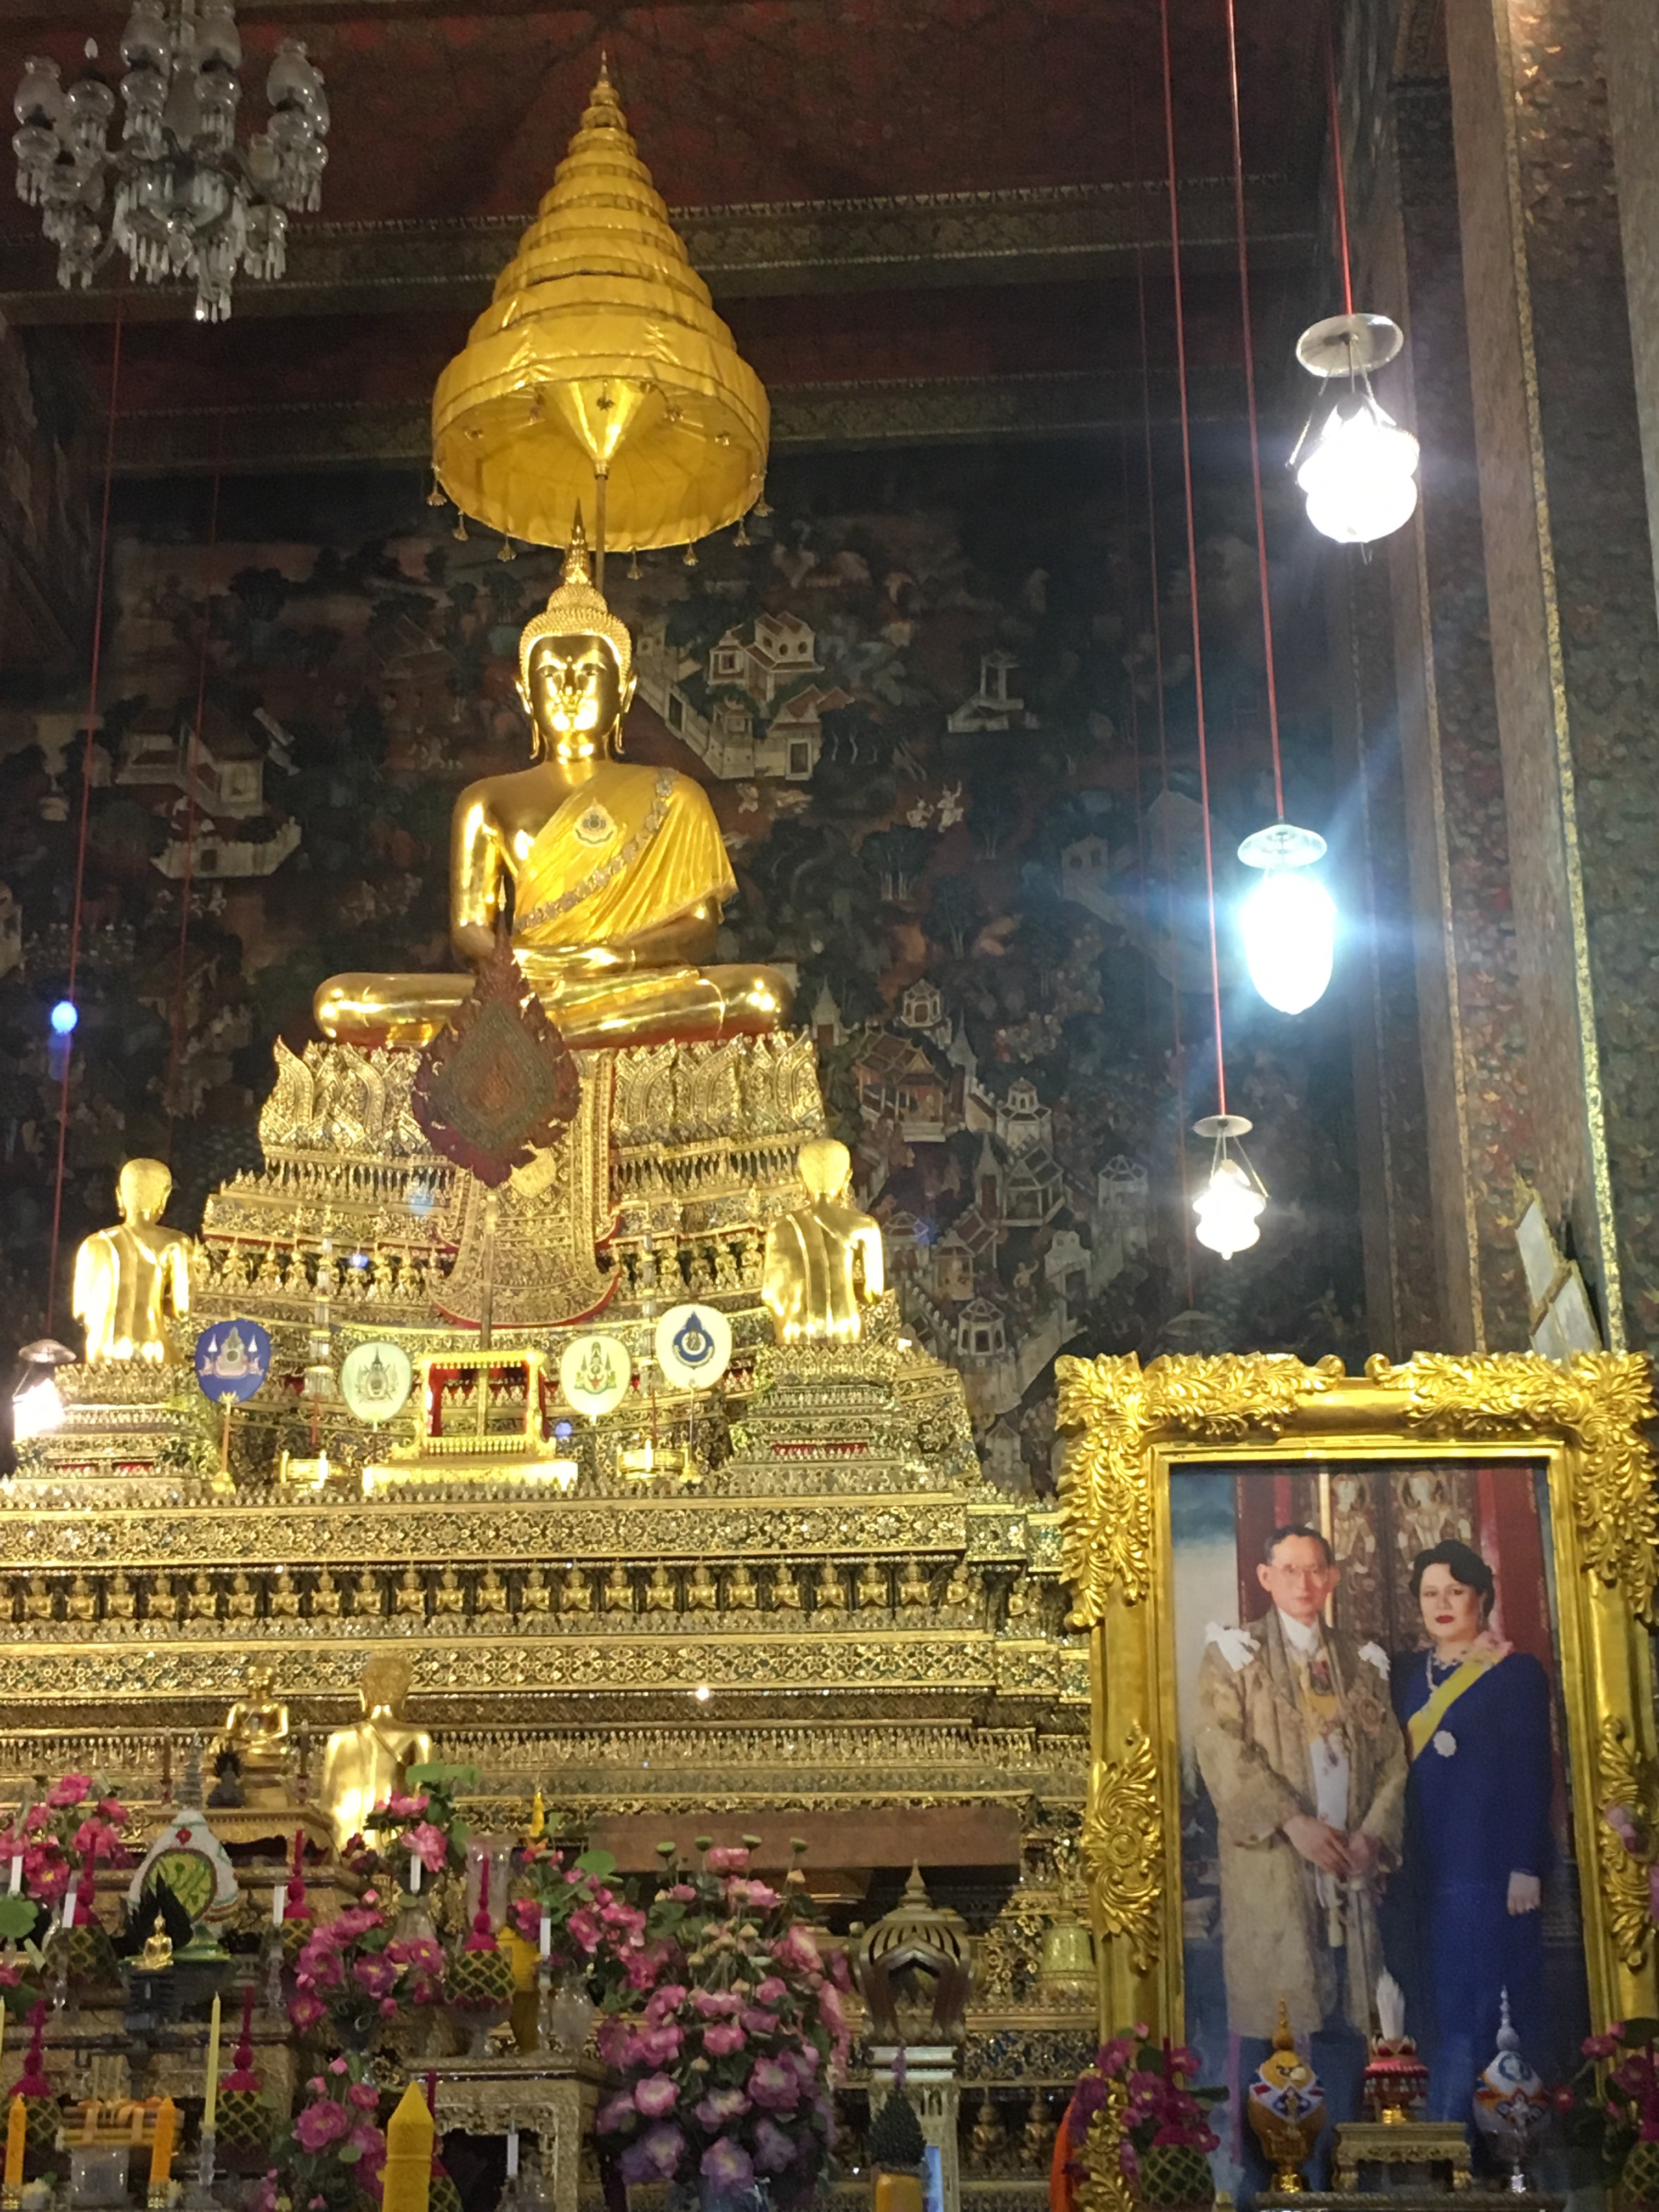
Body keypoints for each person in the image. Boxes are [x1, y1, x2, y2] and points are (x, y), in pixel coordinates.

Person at [1194, 1525, 1408, 2153]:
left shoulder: (1360, 1661)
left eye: (1315, 1570)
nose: (1304, 1583)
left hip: (1349, 1869)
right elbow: (1221, 1752)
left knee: (1347, 2019)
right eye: (1289, 1570)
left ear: (1333, 1576)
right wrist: (1294, 1821)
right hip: (1275, 1867)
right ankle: (1265, 2173)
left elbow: (1393, 1761)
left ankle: (1342, 2163)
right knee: (1274, 2019)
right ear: (1266, 1578)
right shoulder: (1236, 1656)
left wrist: (1372, 1837)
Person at [1390, 1539, 1553, 2121]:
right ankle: (1437, 2143)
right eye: (1430, 1593)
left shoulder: (1515, 1673)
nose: (1442, 1604)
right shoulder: (1404, 1675)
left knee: (1482, 2014)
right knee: (1430, 2015)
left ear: (1481, 1597)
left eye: (1455, 1591)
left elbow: (1532, 1771)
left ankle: (1479, 2145)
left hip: (1485, 1867)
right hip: (1419, 1872)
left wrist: (1525, 1864)